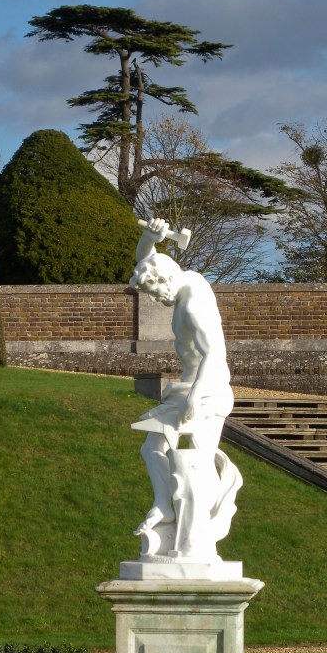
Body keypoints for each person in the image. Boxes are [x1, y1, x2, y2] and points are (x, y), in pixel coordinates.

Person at [129, 218, 240, 557]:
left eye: (155, 291)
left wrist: (193, 398)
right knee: (153, 449)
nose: (155, 298)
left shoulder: (192, 306)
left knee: (196, 464)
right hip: (190, 387)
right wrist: (150, 238)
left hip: (207, 390)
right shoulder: (185, 279)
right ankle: (165, 506)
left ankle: (195, 541)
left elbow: (214, 354)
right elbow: (146, 261)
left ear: (167, 280)